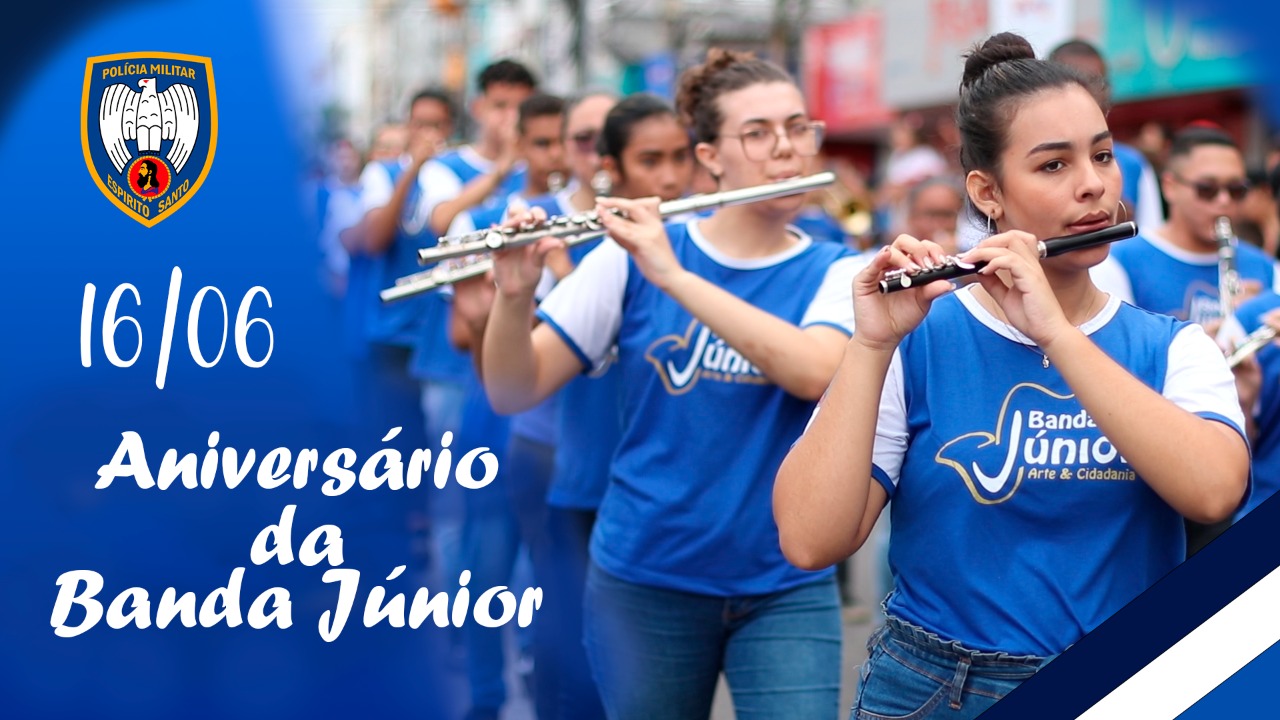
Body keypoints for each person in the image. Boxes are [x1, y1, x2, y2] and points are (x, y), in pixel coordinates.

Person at [773, 33, 1250, 720]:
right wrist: (872, 346)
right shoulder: (921, 340)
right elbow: (810, 540)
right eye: (1053, 165)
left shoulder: (1171, 347)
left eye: (1103, 155)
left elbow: (1213, 492)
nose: (1092, 183)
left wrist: (1054, 330)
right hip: (935, 687)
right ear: (988, 192)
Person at [476, 50, 860, 719]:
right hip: (646, 576)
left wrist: (673, 276)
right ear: (711, 157)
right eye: (759, 134)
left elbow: (811, 369)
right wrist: (513, 296)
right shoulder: (632, 259)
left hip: (783, 580)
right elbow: (513, 388)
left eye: (799, 129)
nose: (787, 151)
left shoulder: (839, 271)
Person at [1049, 39, 1165, 232]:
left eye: (1103, 158)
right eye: (1053, 166)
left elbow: (1150, 237)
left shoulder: (1133, 163)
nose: (1093, 187)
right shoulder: (1023, 158)